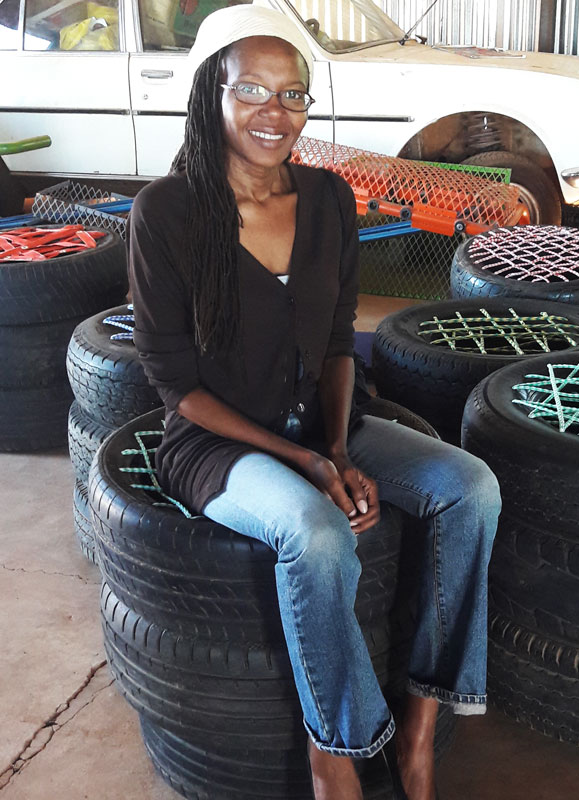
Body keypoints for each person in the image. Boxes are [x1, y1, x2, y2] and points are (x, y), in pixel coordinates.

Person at [128, 6, 501, 799]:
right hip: (217, 445)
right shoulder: (167, 214)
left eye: (293, 95)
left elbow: (337, 343)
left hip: (322, 424)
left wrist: (334, 447)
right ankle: (337, 752)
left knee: (471, 488)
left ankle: (421, 727)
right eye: (253, 91)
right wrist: (307, 467)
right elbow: (173, 383)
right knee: (318, 532)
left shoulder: (331, 199)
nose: (276, 113)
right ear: (212, 95)